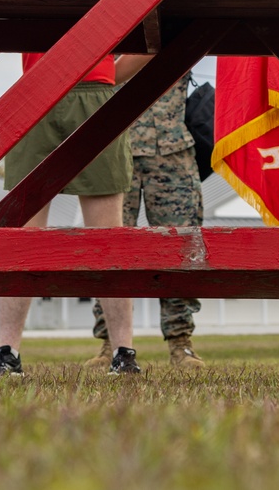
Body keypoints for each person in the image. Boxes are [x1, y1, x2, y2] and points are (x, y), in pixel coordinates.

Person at [0, 47, 151, 377]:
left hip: (95, 93)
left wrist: (108, 78)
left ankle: (124, 352)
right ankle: (7, 351)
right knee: (23, 239)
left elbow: (150, 46)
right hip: (37, 94)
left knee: (107, 239)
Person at [90, 75, 205, 368]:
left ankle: (181, 344)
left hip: (172, 152)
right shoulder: (102, 33)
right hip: (115, 146)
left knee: (182, 249)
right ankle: (111, 345)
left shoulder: (174, 29)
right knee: (108, 250)